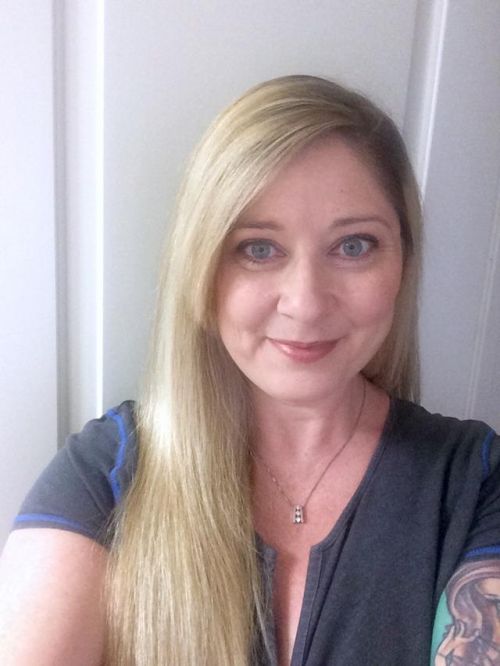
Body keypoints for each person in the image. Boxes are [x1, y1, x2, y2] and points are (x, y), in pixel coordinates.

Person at [0, 74, 499, 666]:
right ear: (202, 270)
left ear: (404, 262)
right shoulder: (103, 476)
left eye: (354, 245)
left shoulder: (475, 481)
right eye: (258, 249)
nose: (306, 303)